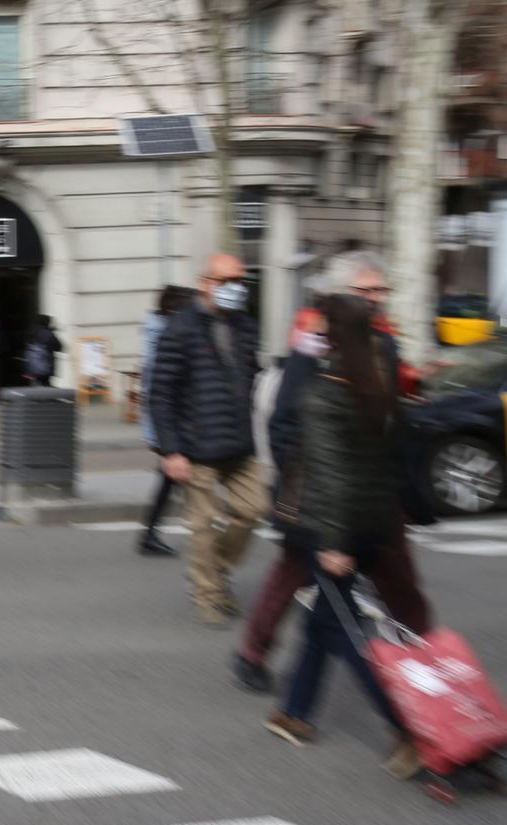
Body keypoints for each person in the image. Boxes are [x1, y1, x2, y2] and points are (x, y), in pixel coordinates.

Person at [232, 253, 433, 693]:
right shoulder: (313, 342)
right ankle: (253, 652)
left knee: (399, 579)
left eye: (380, 291)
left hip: (376, 485)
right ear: (340, 295)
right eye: (366, 291)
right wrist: (299, 481)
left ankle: (424, 661)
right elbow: (285, 418)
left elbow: (391, 416)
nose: (376, 300)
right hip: (319, 486)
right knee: (292, 574)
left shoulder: (385, 342)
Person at [263, 292, 421, 778]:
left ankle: (407, 728)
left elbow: (330, 473)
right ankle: (296, 713)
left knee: (349, 632)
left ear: (330, 334)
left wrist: (334, 542)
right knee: (323, 624)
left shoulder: (327, 390)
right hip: (374, 521)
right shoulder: (375, 384)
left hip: (333, 526)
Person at [149, 252, 266, 627]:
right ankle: (207, 596)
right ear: (206, 283)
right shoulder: (181, 328)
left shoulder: (245, 326)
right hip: (195, 447)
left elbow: (250, 377)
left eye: (240, 282)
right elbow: (161, 393)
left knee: (253, 509)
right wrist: (171, 450)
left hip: (239, 443)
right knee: (202, 526)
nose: (235, 289)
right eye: (227, 281)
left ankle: (217, 572)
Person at [137, 285, 193, 557]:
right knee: (180, 479)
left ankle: (149, 534)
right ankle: (150, 535)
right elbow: (156, 389)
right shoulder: (161, 337)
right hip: (167, 425)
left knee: (171, 481)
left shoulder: (160, 333)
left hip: (169, 425)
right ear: (174, 311)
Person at [23, 314, 62, 387]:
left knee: (35, 385)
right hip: (44, 367)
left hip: (31, 367)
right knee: (45, 386)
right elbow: (58, 347)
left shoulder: (30, 332)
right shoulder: (46, 333)